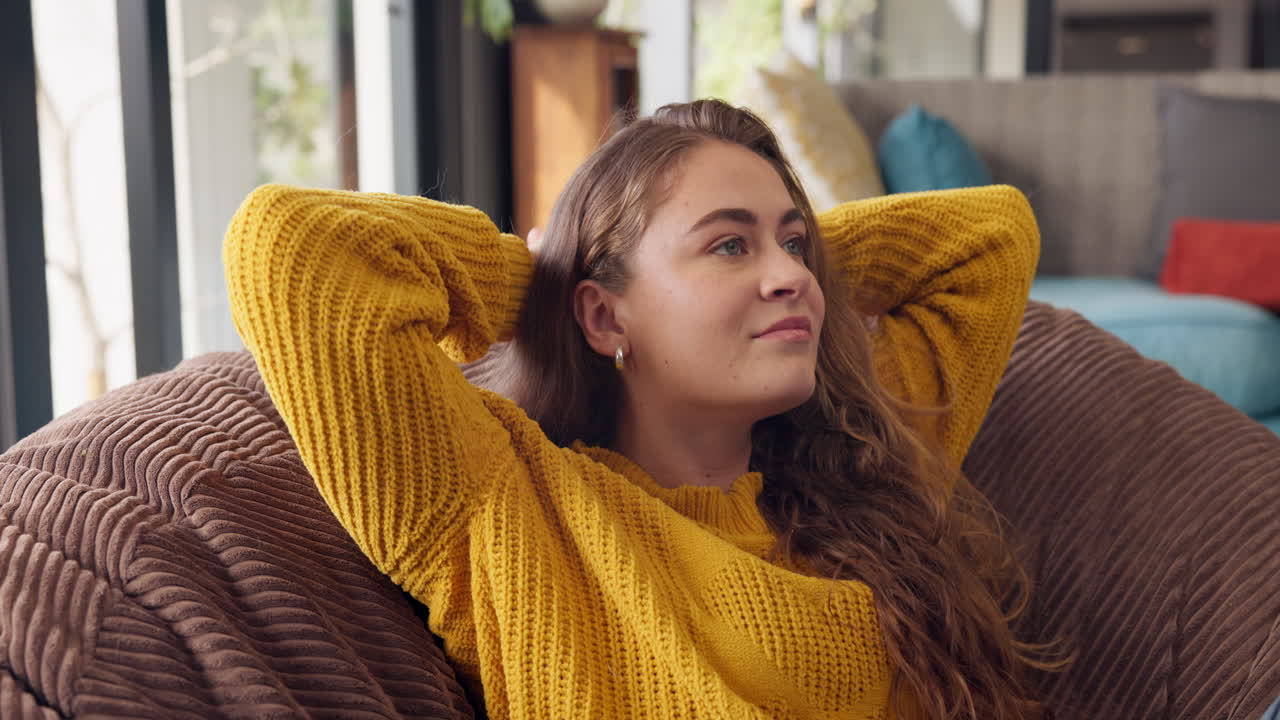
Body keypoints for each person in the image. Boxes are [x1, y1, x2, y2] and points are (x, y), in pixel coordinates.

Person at [224, 99, 1060, 719]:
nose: (792, 277)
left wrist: (788, 263)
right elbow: (291, 244)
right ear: (603, 316)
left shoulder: (865, 450)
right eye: (728, 244)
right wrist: (548, 286)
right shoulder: (503, 504)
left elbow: (991, 236)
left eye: (793, 244)